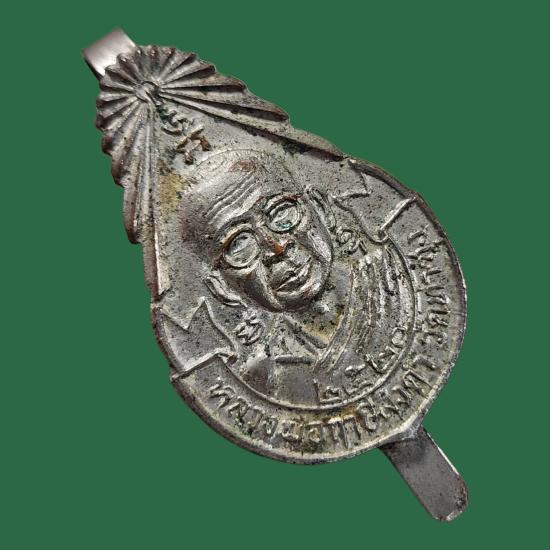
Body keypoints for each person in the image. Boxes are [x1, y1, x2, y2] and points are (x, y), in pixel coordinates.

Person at [181, 150, 413, 407]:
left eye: (281, 213)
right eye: (239, 245)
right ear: (221, 288)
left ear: (321, 209)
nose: (276, 248)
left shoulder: (399, 281)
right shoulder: (267, 379)